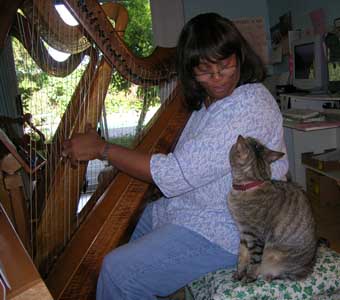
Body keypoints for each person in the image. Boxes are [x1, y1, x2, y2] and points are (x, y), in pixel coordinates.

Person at [62, 12, 289, 300]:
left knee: (118, 272)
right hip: (189, 211)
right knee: (103, 243)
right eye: (205, 70)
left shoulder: (249, 104)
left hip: (232, 230)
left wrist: (102, 149)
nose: (218, 77)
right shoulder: (209, 103)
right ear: (190, 71)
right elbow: (186, 157)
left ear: (240, 57)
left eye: (225, 64)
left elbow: (175, 173)